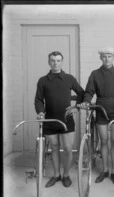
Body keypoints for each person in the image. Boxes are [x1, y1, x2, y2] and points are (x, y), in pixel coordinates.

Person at [79, 47, 114, 186]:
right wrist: (86, 101)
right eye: (104, 56)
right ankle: (105, 170)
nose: (107, 59)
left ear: (113, 57)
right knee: (103, 141)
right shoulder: (95, 74)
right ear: (100, 58)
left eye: (109, 56)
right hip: (101, 109)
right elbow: (89, 91)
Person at [35, 51, 84, 188]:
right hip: (50, 120)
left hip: (66, 119)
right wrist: (40, 112)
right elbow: (38, 99)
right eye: (52, 60)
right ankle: (56, 175)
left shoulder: (69, 78)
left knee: (68, 148)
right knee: (55, 148)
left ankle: (66, 174)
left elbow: (81, 93)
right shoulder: (43, 80)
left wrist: (77, 107)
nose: (55, 63)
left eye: (58, 60)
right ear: (49, 62)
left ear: (62, 62)